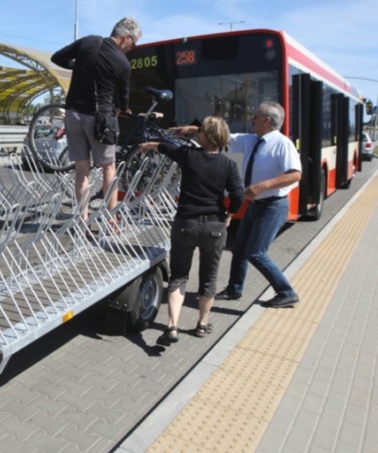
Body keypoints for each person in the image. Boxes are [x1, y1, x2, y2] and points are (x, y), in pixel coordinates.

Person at [137, 116, 244, 345]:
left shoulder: (189, 156)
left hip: (185, 223)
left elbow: (166, 147)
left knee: (179, 276)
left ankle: (172, 326)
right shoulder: (229, 164)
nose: (198, 134)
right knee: (209, 279)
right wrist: (229, 215)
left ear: (205, 136)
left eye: (201, 132)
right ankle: (202, 324)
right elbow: (238, 195)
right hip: (214, 227)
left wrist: (148, 145)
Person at [205, 101, 302, 308]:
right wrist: (191, 130)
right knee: (239, 249)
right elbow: (223, 136)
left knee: (255, 252)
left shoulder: (282, 143)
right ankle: (234, 289)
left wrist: (262, 186)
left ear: (267, 120)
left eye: (256, 117)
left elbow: (295, 174)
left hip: (273, 206)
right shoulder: (250, 140)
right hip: (255, 205)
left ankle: (286, 292)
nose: (252, 119)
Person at [50, 17, 140, 224]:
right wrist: (123, 110)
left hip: (73, 114)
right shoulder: (122, 63)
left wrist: (79, 65)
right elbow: (124, 100)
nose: (132, 48)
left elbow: (57, 58)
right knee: (109, 168)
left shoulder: (88, 41)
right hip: (99, 119)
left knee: (82, 170)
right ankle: (111, 219)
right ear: (126, 36)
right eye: (133, 43)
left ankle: (82, 221)